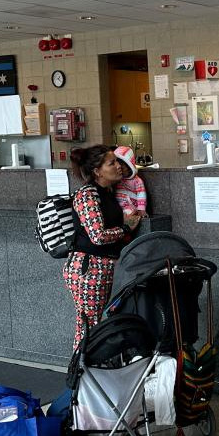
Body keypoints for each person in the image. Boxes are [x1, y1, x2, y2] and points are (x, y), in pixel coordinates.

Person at [64, 145, 142, 350]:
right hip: (89, 269)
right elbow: (98, 236)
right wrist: (125, 228)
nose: (119, 166)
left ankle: (98, 372)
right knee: (89, 326)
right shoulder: (88, 195)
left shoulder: (108, 192)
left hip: (105, 267)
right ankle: (81, 375)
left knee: (99, 324)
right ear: (97, 171)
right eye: (112, 163)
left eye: (117, 161)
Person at [113, 145, 148, 217]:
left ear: (129, 167)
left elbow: (141, 195)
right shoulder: (117, 179)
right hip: (119, 205)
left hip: (131, 206)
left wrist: (141, 209)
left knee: (129, 213)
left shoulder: (137, 181)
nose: (121, 171)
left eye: (123, 168)